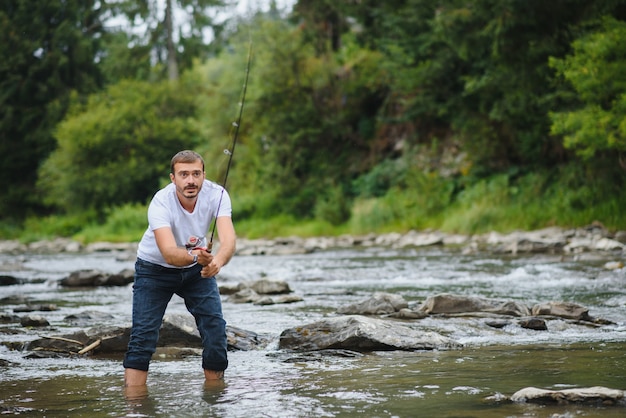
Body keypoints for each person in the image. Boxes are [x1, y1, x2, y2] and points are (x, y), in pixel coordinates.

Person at [123, 150, 236, 387]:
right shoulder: (161, 201)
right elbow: (169, 253)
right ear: (173, 178)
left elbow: (229, 241)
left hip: (197, 272)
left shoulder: (217, 194)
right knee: (143, 337)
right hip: (153, 269)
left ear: (204, 175)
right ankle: (134, 406)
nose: (191, 180)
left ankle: (215, 398)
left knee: (215, 331)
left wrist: (217, 262)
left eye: (196, 174)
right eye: (184, 174)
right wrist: (197, 255)